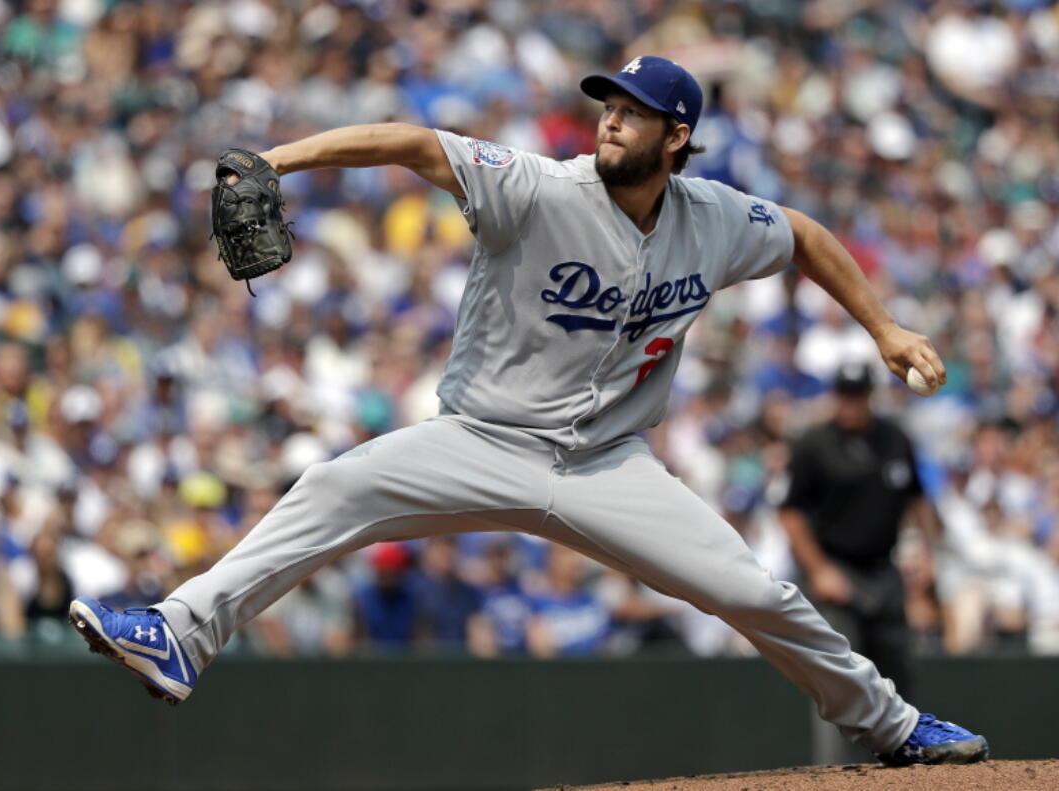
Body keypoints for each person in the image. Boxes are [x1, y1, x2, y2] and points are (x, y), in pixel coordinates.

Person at [69, 56, 986, 766]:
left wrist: (886, 326)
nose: (611, 118)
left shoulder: (712, 217)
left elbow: (807, 238)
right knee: (333, 487)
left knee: (754, 591)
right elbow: (411, 142)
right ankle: (182, 632)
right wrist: (276, 160)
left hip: (608, 464)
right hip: (480, 439)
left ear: (677, 136)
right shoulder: (538, 187)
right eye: (606, 105)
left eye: (631, 111)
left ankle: (894, 725)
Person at [778, 362, 944, 762]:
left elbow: (918, 500)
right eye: (845, 395)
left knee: (897, 668)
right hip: (835, 569)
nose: (851, 404)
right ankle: (839, 775)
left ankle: (903, 764)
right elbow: (790, 513)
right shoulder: (815, 443)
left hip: (883, 570)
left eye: (858, 395)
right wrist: (819, 570)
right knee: (842, 675)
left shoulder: (894, 438)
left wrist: (929, 553)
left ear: (870, 396)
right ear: (836, 397)